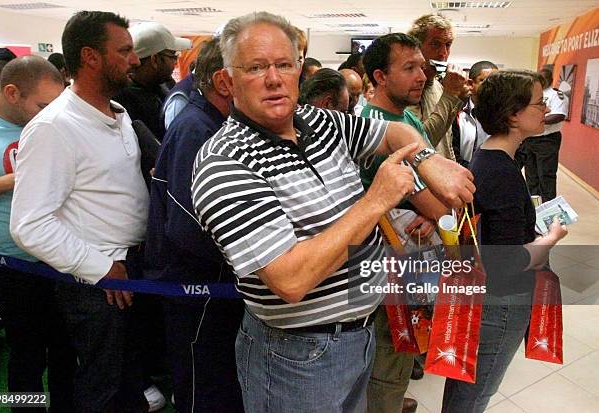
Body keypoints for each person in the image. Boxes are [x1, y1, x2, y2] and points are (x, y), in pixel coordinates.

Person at [191, 11, 474, 413]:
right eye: (255, 67)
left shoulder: (316, 121)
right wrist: (376, 201)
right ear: (226, 81)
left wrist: (428, 160)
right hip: (297, 354)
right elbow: (290, 280)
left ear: (298, 73)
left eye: (284, 65)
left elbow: (395, 132)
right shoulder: (224, 163)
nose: (274, 78)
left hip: (358, 336)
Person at [10, 11, 150, 413]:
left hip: (126, 272)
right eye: (124, 51)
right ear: (90, 57)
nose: (135, 60)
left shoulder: (116, 114)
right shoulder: (54, 127)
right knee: (99, 389)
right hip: (97, 281)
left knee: (125, 383)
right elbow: (30, 224)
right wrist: (100, 266)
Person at [441, 70, 568, 412]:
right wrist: (551, 238)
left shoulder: (488, 158)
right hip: (501, 300)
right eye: (538, 102)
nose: (545, 109)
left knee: (465, 389)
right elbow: (507, 261)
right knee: (473, 396)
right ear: (513, 114)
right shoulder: (502, 174)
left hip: (483, 296)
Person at [146, 37, 244, 413]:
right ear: (224, 82)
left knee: (217, 379)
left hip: (212, 281)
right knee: (203, 383)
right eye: (255, 69)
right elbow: (189, 223)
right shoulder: (196, 129)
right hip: (197, 284)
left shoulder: (215, 124)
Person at [360, 32, 449, 413]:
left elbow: (436, 187)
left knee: (407, 342)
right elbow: (434, 200)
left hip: (416, 252)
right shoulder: (373, 128)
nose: (422, 76)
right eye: (409, 68)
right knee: (389, 352)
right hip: (390, 262)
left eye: (422, 68)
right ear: (380, 76)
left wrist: (433, 210)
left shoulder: (407, 117)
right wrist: (434, 210)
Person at [0, 55, 74, 413]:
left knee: (65, 349)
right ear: (11, 93)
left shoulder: (49, 125)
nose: (48, 113)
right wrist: (16, 178)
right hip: (12, 265)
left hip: (57, 258)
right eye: (42, 105)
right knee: (27, 353)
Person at [114, 21, 191, 141]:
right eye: (172, 56)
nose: (175, 63)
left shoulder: (164, 83)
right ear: (155, 60)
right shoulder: (122, 102)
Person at [407, 14, 469, 161]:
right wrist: (450, 94)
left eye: (448, 45)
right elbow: (421, 144)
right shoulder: (407, 87)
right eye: (435, 44)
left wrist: (457, 97)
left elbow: (445, 138)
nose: (443, 53)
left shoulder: (437, 84)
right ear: (417, 47)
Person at [517, 67, 568, 201]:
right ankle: (534, 206)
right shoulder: (531, 93)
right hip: (529, 139)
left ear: (550, 80)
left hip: (547, 140)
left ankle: (548, 207)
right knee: (531, 175)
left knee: (546, 176)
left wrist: (535, 119)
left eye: (543, 78)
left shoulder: (556, 95)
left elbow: (559, 115)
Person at [452, 60, 498, 168]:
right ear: (471, 84)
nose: (493, 86)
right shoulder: (456, 112)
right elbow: (452, 152)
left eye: (496, 81)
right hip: (462, 175)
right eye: (485, 81)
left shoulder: (504, 114)